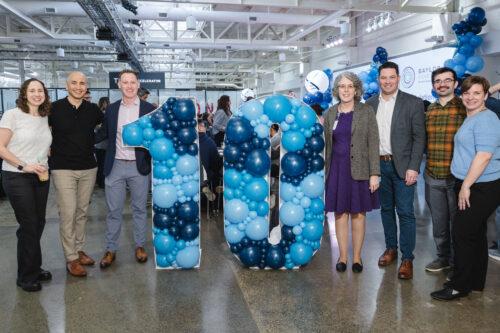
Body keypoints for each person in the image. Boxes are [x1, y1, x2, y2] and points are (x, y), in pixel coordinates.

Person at [431, 76, 500, 301]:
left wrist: (466, 186)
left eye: (477, 93)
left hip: (480, 185)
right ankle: (475, 282)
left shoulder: (487, 119)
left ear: (486, 96)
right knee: (476, 234)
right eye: (467, 93)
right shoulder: (472, 117)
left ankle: (459, 285)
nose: (471, 97)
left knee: (461, 233)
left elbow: (484, 155)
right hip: (473, 183)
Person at [365, 61, 425, 279]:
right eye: (383, 78)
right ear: (378, 80)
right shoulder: (369, 104)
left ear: (398, 78)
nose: (388, 81)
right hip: (379, 166)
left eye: (392, 77)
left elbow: (419, 138)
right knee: (386, 210)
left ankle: (407, 257)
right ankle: (391, 248)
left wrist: (413, 167)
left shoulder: (413, 103)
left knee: (406, 213)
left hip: (403, 167)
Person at [97, 70, 156, 268]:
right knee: (114, 211)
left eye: (133, 82)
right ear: (119, 85)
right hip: (115, 166)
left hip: (139, 167)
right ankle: (110, 249)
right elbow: (104, 134)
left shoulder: (149, 108)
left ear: (138, 85)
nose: (129, 86)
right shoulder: (112, 109)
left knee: (140, 209)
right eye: (125, 82)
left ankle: (140, 246)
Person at [324, 71, 380, 273]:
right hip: (337, 170)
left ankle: (357, 258)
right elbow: (326, 146)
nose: (346, 90)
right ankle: (342, 257)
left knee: (358, 215)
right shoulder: (330, 113)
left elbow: (373, 143)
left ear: (356, 89)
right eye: (342, 86)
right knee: (340, 214)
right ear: (336, 90)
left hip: (360, 170)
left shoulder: (366, 112)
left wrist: (375, 173)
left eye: (350, 86)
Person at [0, 78, 52, 291]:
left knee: (38, 223)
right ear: (24, 93)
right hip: (17, 176)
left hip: (40, 176)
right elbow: (1, 148)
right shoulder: (12, 115)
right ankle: (25, 277)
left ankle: (33, 266)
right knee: (29, 225)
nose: (37, 94)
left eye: (40, 90)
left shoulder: (43, 116)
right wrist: (23, 166)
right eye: (32, 90)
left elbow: (40, 144)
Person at [49, 72, 103, 277]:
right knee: (68, 213)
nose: (78, 87)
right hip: (63, 168)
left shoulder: (93, 110)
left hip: (89, 167)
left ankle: (79, 249)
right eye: (74, 83)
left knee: (82, 212)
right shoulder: (54, 108)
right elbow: (41, 131)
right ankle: (71, 257)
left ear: (86, 86)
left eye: (82, 83)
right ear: (66, 85)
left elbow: (105, 128)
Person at [424, 67, 466, 277]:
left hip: (457, 178)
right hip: (433, 175)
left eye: (447, 80)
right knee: (439, 223)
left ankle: (459, 263)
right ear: (433, 86)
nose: (442, 84)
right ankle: (443, 258)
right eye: (438, 81)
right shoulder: (429, 111)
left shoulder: (464, 108)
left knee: (458, 224)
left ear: (455, 84)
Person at [198, 119, 222, 200]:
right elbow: (216, 160)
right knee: (216, 174)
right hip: (205, 173)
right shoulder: (208, 141)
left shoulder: (188, 141)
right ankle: (216, 206)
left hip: (191, 173)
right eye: (204, 126)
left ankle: (202, 187)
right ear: (200, 128)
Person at [95, 96, 110, 188]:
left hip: (98, 145)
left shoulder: (97, 114)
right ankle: (102, 182)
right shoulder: (106, 115)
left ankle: (99, 181)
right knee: (104, 165)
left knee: (100, 164)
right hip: (104, 145)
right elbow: (104, 131)